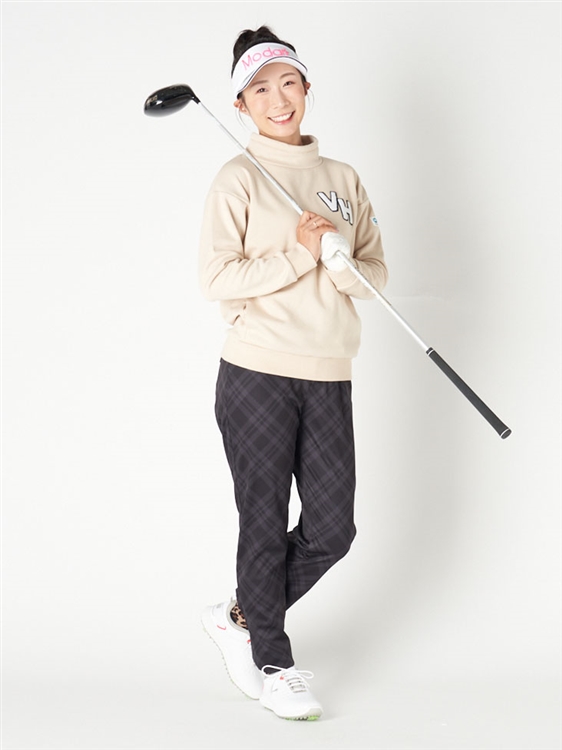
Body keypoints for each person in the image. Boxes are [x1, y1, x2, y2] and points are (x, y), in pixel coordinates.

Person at [199, 26, 388, 721]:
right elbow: (217, 279)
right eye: (260, 90)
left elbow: (375, 276)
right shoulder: (239, 177)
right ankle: (274, 664)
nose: (278, 99)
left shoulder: (343, 179)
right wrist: (301, 256)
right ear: (242, 105)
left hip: (330, 372)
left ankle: (240, 616)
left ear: (307, 88)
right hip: (257, 372)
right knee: (264, 518)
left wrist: (339, 260)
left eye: (288, 83)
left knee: (333, 529)